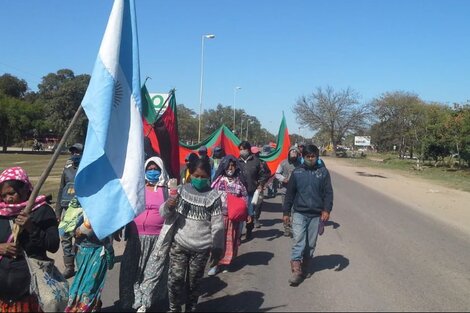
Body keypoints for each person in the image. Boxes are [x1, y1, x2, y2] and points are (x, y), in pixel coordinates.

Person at [160, 158, 224, 312]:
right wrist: (169, 205)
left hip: (200, 249)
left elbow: (217, 224)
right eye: (196, 175)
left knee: (194, 284)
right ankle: (174, 308)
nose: (199, 179)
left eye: (203, 177)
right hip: (179, 245)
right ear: (190, 174)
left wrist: (217, 247)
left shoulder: (214, 197)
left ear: (209, 176)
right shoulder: (181, 191)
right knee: (175, 281)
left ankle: (191, 309)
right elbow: (164, 213)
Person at [0, 167, 60, 312]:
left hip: (30, 290)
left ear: (26, 189)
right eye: (4, 195)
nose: (8, 199)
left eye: (12, 193)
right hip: (3, 292)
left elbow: (53, 245)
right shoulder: (2, 212)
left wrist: (31, 227)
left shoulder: (42, 211)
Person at [119, 156, 170, 312]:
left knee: (152, 272)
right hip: (136, 239)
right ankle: (131, 299)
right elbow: (126, 208)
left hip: (157, 240)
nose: (153, 172)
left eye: (156, 169)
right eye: (149, 169)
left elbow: (172, 215)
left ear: (161, 171)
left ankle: (145, 302)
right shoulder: (137, 188)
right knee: (131, 270)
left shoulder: (167, 191)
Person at [283, 144, 333, 286]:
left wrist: (326, 210)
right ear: (303, 157)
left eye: (313, 156)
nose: (310, 158)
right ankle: (296, 269)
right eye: (307, 156)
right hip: (299, 212)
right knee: (299, 239)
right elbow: (290, 194)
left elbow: (328, 193)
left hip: (316, 215)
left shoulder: (323, 172)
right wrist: (286, 212)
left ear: (317, 157)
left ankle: (305, 265)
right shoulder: (297, 173)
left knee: (310, 244)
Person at [65, 198, 114, 312]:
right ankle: (93, 305)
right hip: (82, 251)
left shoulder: (105, 202)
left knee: (90, 286)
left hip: (99, 251)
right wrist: (79, 229)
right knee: (81, 284)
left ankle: (86, 308)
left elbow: (109, 227)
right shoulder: (76, 204)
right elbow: (67, 229)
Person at [209, 155, 248, 276]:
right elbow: (211, 195)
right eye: (228, 165)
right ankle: (215, 264)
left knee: (231, 241)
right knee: (217, 241)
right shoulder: (218, 181)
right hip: (219, 216)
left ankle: (226, 263)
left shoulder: (239, 182)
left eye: (232, 165)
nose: (230, 168)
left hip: (233, 218)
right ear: (224, 167)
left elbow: (244, 197)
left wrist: (245, 212)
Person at [56, 142, 83, 279]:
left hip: (81, 210)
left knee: (79, 238)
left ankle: (81, 266)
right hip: (67, 210)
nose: (75, 154)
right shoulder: (66, 170)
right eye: (73, 152)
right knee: (65, 238)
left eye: (78, 152)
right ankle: (69, 267)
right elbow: (61, 189)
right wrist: (57, 212)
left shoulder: (87, 169)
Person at [237, 141, 270, 239]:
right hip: (239, 193)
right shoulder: (236, 162)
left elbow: (266, 173)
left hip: (252, 191)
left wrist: (261, 184)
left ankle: (249, 230)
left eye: (244, 149)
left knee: (250, 213)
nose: (242, 151)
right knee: (239, 214)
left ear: (248, 149)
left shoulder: (257, 161)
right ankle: (238, 234)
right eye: (240, 149)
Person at [275, 146, 302, 237]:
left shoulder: (301, 164)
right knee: (286, 210)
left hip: (297, 192)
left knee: (295, 211)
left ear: (298, 154)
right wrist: (283, 179)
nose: (294, 153)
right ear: (289, 153)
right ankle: (286, 228)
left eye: (296, 152)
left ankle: (294, 228)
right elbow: (277, 174)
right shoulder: (283, 163)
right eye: (292, 152)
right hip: (285, 191)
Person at [250, 146, 272, 229]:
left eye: (257, 153)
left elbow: (268, 173)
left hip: (259, 187)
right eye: (254, 153)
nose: (256, 155)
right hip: (249, 187)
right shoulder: (246, 163)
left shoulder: (262, 163)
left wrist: (262, 183)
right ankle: (250, 219)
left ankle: (256, 219)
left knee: (258, 204)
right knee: (249, 204)